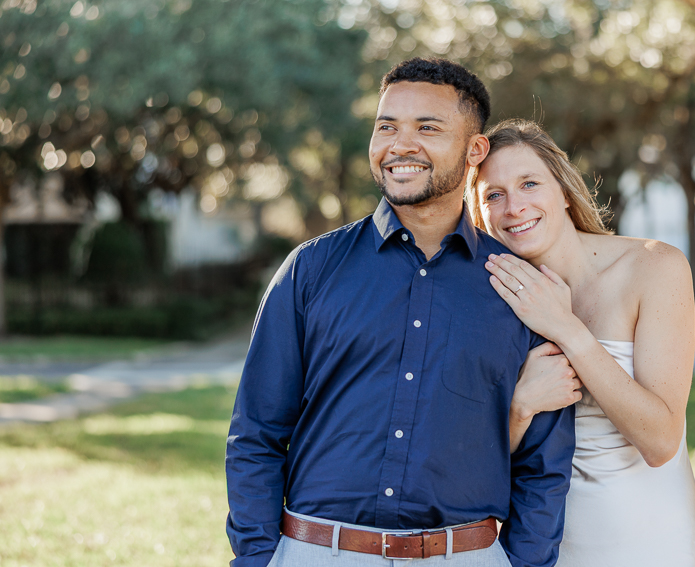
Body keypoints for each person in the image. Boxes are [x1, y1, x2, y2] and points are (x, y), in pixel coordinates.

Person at [225, 60, 576, 567]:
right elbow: (256, 432)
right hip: (317, 553)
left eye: (427, 128)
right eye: (386, 126)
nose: (400, 144)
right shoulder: (311, 269)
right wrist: (259, 559)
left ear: (475, 150)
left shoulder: (519, 289)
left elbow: (544, 467)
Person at [468, 119, 695, 566]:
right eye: (493, 195)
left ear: (562, 191)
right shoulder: (486, 303)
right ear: (480, 217)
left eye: (529, 183)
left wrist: (567, 329)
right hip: (543, 543)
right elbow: (472, 471)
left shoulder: (655, 268)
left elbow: (660, 441)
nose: (514, 206)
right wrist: (519, 408)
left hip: (648, 537)